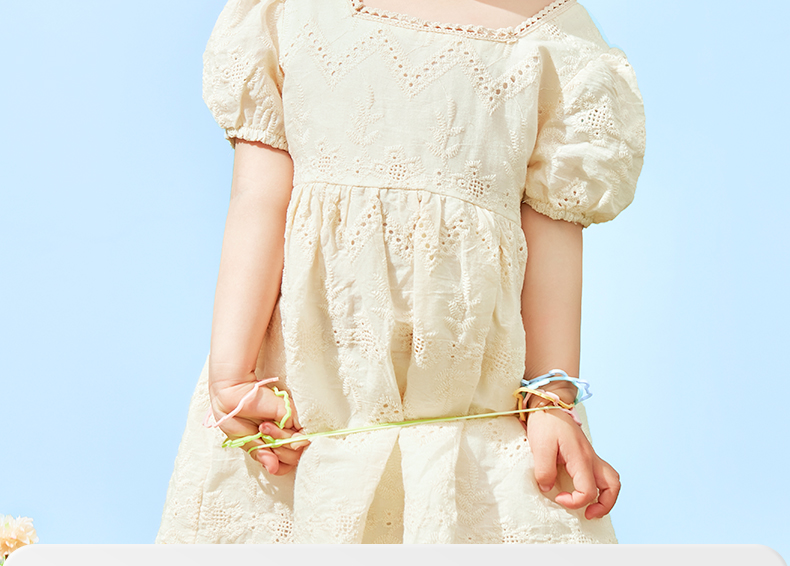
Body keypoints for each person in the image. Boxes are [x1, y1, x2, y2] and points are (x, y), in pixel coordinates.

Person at [157, 0, 646, 544]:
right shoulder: (292, 12)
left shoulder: (561, 44)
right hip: (296, 411)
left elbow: (554, 229)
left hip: (472, 416)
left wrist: (551, 400)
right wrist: (230, 375)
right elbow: (259, 199)